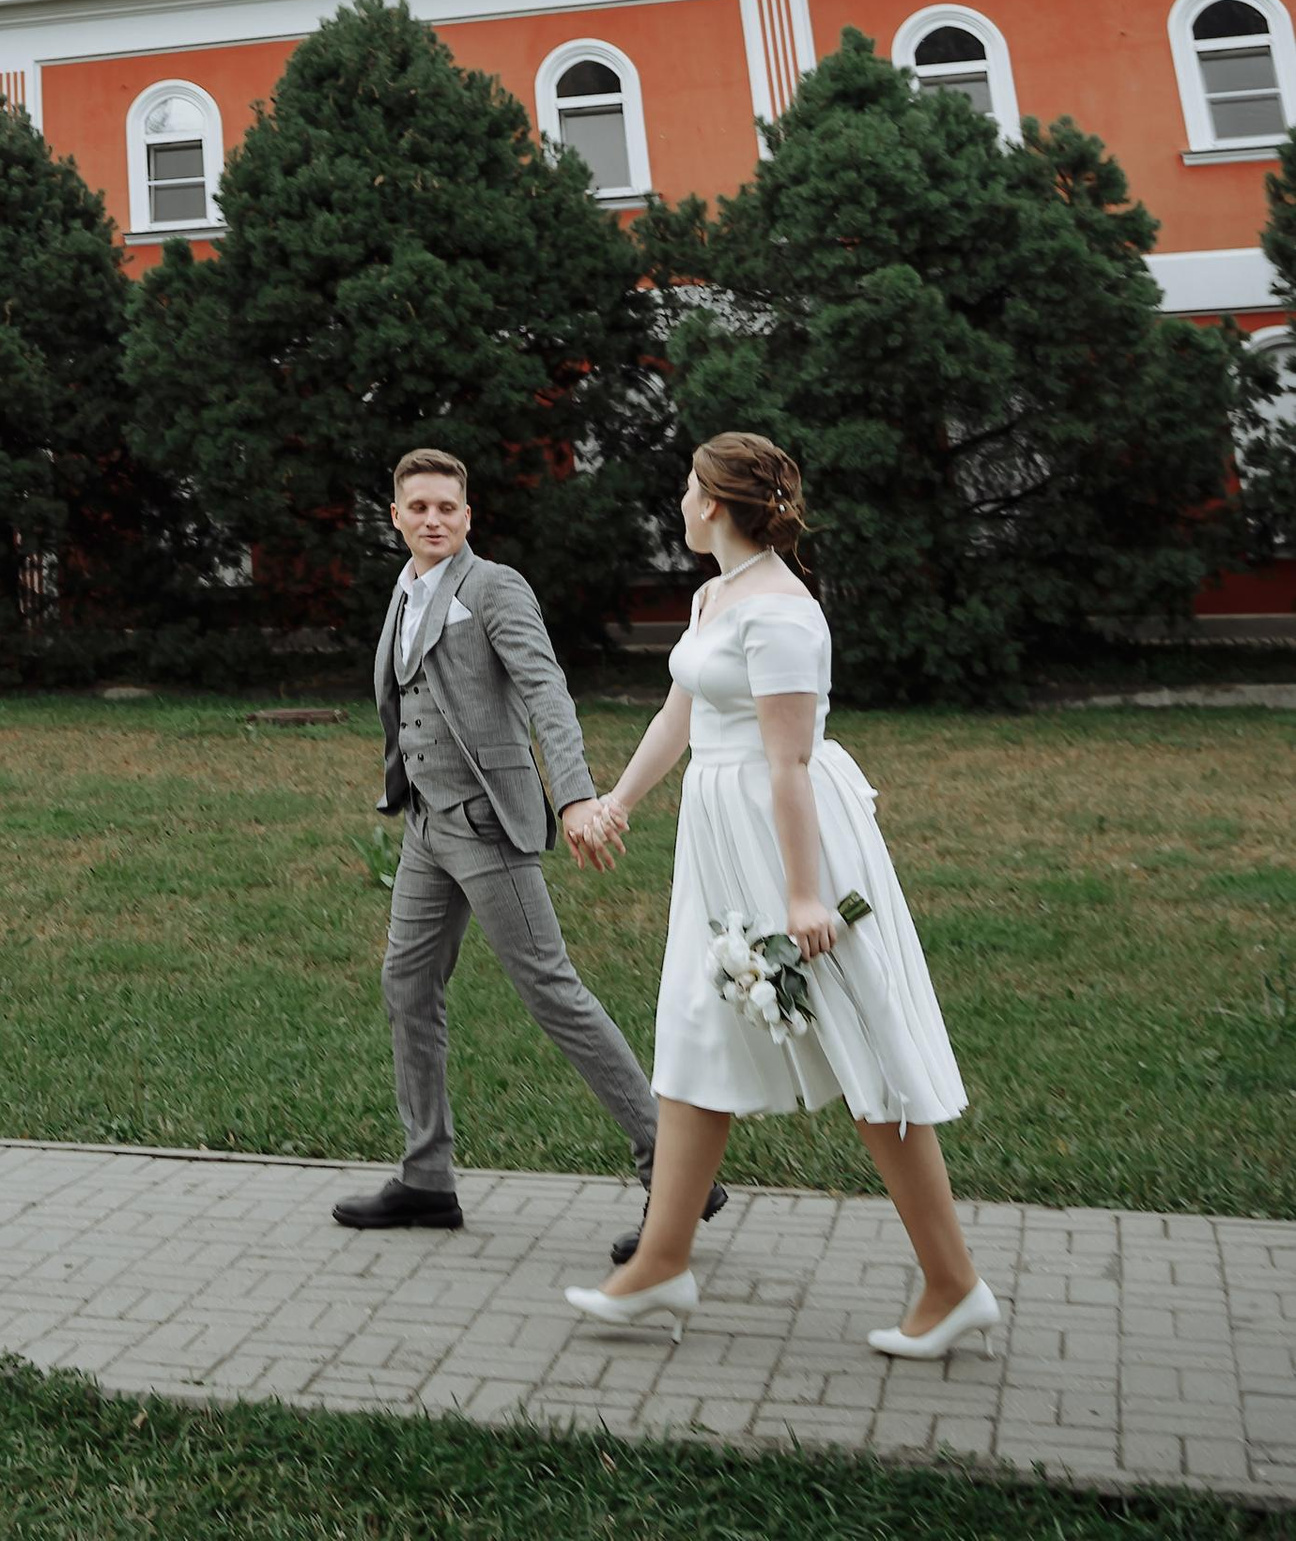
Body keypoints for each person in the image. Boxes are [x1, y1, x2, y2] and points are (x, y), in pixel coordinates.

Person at [561, 432, 995, 1360]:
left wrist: (807, 898)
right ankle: (663, 1260)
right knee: (692, 1027)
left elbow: (790, 761)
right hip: (719, 845)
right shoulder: (715, 593)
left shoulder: (785, 613)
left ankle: (954, 1283)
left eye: (686, 486)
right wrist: (618, 801)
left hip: (788, 843)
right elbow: (686, 706)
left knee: (866, 1053)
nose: (678, 501)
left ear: (714, 503)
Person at [333, 447, 686, 1236]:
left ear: (468, 516)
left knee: (551, 990)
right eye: (417, 507)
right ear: (394, 516)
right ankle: (427, 1177)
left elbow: (545, 690)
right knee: (407, 986)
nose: (432, 519)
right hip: (428, 826)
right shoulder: (404, 593)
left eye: (446, 508)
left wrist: (575, 794)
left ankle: (672, 1165)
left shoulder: (492, 586)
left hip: (489, 823)